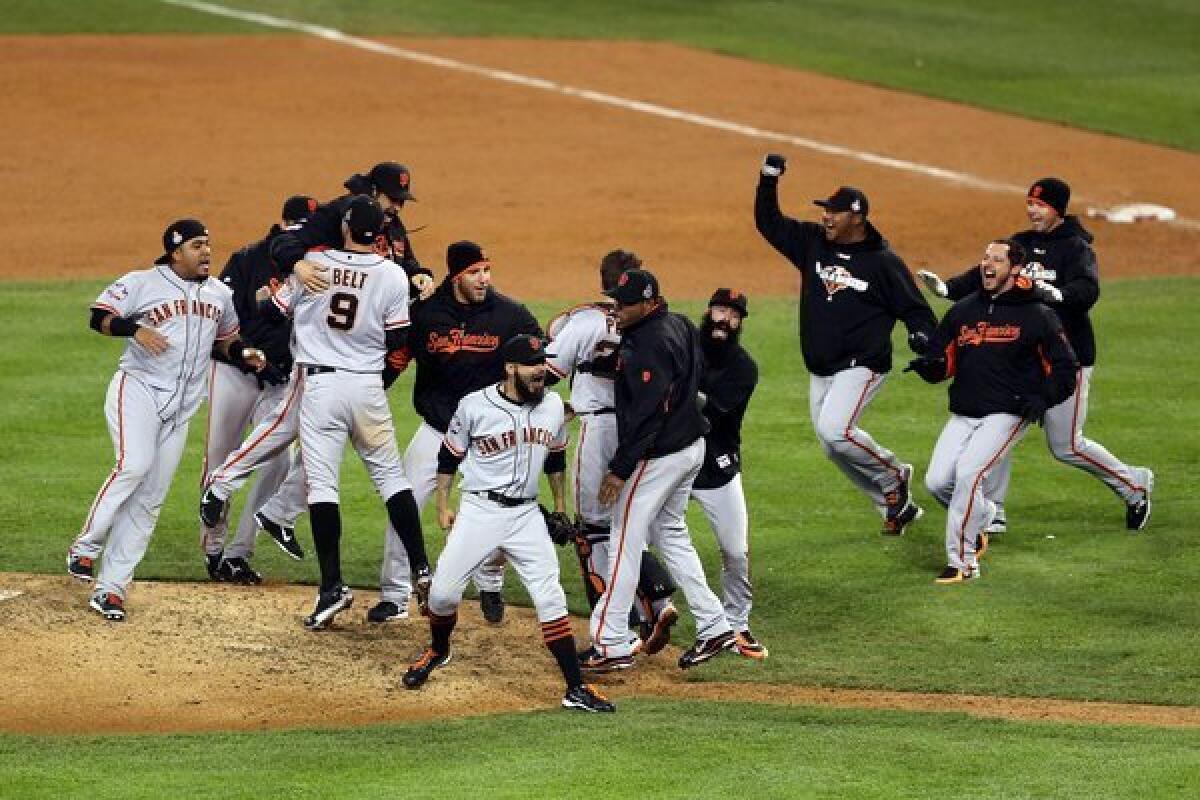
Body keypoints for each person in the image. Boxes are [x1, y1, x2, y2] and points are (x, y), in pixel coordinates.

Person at [917, 178, 1154, 533]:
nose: (1032, 210)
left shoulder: (1076, 248)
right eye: (1029, 203)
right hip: (1022, 359)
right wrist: (947, 288)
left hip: (1065, 359)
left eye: (1040, 205)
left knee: (1066, 446)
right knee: (996, 424)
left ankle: (1134, 485)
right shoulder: (1022, 243)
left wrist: (1057, 294)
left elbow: (1088, 290)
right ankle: (992, 510)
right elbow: (985, 275)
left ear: (1058, 209)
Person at [400, 334, 614, 713]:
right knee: (443, 595)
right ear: (510, 367)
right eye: (533, 365)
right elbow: (448, 460)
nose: (541, 372)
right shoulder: (474, 406)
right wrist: (443, 508)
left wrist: (560, 508)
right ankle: (438, 649)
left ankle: (575, 689)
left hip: (526, 516)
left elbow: (555, 460)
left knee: (550, 596)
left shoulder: (551, 407)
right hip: (479, 512)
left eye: (543, 364)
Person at [67, 219, 266, 620]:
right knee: (132, 467)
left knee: (151, 499)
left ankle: (111, 590)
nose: (207, 251)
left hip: (180, 409)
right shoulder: (143, 282)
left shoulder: (219, 294)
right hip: (137, 390)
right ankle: (85, 548)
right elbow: (99, 316)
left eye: (208, 244)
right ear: (176, 252)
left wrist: (244, 353)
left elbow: (225, 340)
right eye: (197, 246)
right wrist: (133, 329)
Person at [267, 196, 432, 629]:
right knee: (391, 479)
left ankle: (332, 588)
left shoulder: (314, 264)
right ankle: (420, 568)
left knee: (323, 487)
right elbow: (399, 341)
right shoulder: (394, 276)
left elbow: (272, 309)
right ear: (378, 234)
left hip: (321, 389)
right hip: (367, 390)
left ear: (343, 228)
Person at [754, 153, 937, 535]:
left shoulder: (883, 263)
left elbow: (916, 310)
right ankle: (894, 506)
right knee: (831, 445)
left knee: (837, 431)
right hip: (821, 366)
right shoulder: (812, 243)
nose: (826, 217)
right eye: (825, 211)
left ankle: (894, 474)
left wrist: (921, 336)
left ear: (857, 218)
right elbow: (768, 223)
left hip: (862, 363)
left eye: (834, 213)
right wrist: (769, 179)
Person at [369, 240, 541, 625]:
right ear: (456, 275)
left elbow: (538, 357)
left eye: (487, 270)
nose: (484, 279)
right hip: (437, 429)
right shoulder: (427, 313)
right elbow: (397, 358)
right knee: (405, 503)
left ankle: (490, 582)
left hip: (489, 439)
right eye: (475, 273)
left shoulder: (509, 315)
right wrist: (369, 391)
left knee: (499, 513)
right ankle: (395, 594)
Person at [582, 268, 734, 673]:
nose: (617, 309)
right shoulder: (678, 323)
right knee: (671, 532)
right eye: (615, 300)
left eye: (625, 304)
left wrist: (619, 469)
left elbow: (649, 413)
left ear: (649, 304)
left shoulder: (646, 344)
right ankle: (715, 623)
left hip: (659, 458)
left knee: (622, 543)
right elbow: (685, 372)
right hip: (691, 448)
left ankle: (610, 641)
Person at [907, 239, 1077, 582]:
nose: (987, 264)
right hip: (966, 410)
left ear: (1015, 269)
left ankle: (964, 563)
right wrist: (929, 365)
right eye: (985, 257)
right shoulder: (963, 310)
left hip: (1009, 412)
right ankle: (980, 520)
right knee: (938, 481)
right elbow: (944, 361)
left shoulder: (1038, 315)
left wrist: (1043, 399)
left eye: (997, 259)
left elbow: (1066, 368)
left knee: (970, 474)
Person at [544, 249, 680, 656]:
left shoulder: (585, 322)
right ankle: (658, 603)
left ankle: (622, 623)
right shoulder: (656, 325)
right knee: (626, 524)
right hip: (641, 433)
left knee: (594, 531)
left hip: (599, 429)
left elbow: (546, 372)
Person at [199, 194, 315, 585]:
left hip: (281, 381)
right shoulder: (250, 259)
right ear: (283, 225)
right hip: (234, 372)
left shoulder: (317, 267)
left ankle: (238, 553)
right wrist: (251, 352)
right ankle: (213, 551)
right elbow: (225, 323)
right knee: (219, 460)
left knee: (278, 461)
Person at [692, 288, 766, 658]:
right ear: (709, 311)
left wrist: (672, 388)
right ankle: (644, 614)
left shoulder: (743, 368)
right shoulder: (686, 343)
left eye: (733, 315)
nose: (725, 319)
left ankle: (737, 624)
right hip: (671, 461)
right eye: (720, 310)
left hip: (716, 465)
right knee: (636, 538)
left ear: (739, 323)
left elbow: (708, 413)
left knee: (736, 551)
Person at [270, 161, 434, 300]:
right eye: (393, 199)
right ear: (374, 191)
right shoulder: (338, 214)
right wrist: (296, 264)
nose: (398, 207)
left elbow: (406, 261)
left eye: (402, 201)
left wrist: (417, 275)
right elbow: (282, 240)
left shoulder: (391, 221)